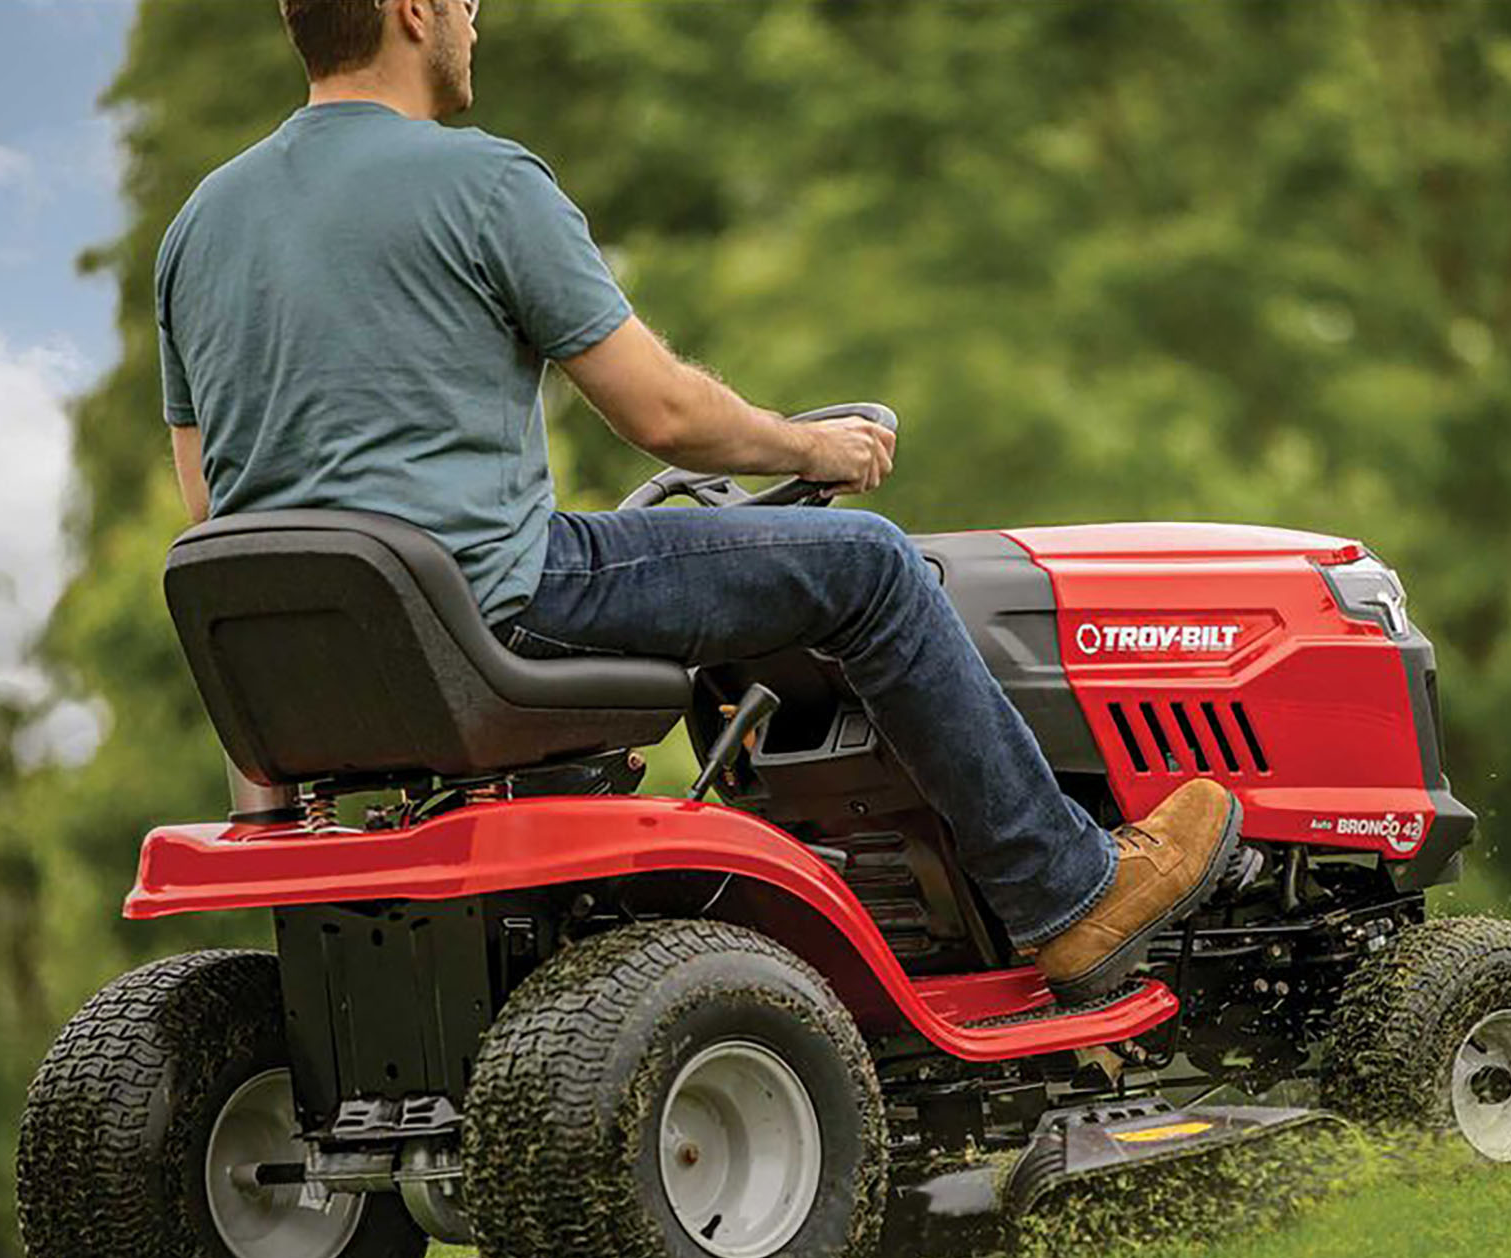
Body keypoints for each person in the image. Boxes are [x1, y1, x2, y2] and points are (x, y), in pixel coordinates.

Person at [155, 0, 1243, 1002]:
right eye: (467, 1)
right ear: (412, 11)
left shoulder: (197, 230)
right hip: (489, 605)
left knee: (715, 561)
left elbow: (217, 511)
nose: (476, 22)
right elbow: (665, 415)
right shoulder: (483, 185)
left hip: (299, 676)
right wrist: (812, 443)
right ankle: (1069, 888)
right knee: (865, 563)